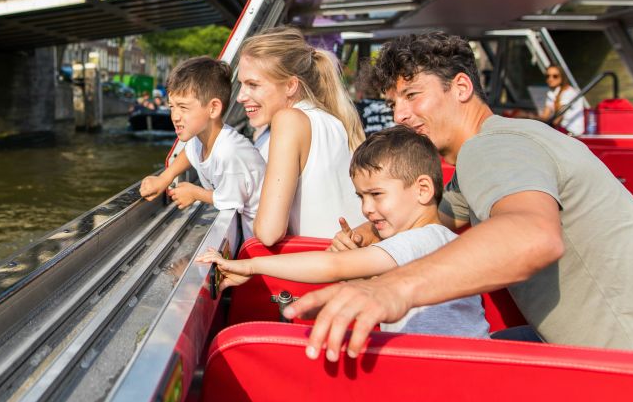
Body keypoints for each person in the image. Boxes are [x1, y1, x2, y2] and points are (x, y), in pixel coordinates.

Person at [296, 32, 633, 359]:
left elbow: (533, 236)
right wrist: (363, 234)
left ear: (461, 87)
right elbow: (428, 214)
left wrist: (392, 290)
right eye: (393, 102)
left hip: (621, 360)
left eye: (412, 95)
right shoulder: (497, 147)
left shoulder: (491, 148)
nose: (398, 114)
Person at [197, 126, 489, 338]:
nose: (367, 209)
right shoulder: (434, 241)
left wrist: (250, 264)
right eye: (361, 197)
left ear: (423, 190)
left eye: (376, 194)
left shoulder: (420, 240)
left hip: (446, 373)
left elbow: (332, 265)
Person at [237, 26, 366, 243]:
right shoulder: (333, 120)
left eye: (253, 85)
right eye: (241, 84)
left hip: (321, 265)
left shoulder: (289, 120)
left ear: (290, 85)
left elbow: (269, 233)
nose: (241, 96)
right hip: (345, 263)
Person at [140, 56, 265, 236]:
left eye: (183, 107)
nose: (175, 116)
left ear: (213, 108)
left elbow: (231, 201)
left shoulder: (229, 152)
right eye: (171, 107)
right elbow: (189, 152)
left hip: (257, 241)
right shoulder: (201, 138)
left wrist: (195, 193)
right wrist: (165, 178)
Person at [538, 64, 586, 136]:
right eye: (548, 76)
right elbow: (545, 116)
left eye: (555, 76)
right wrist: (527, 116)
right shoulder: (552, 93)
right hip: (561, 131)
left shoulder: (569, 93)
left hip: (572, 134)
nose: (550, 79)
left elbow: (557, 120)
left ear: (562, 77)